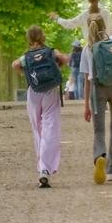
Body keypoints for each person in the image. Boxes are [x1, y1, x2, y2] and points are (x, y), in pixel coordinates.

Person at [53, 0, 112, 183]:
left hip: (97, 88)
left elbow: (86, 80)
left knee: (99, 130)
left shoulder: (87, 50)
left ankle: (100, 156)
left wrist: (86, 106)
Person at [10, 26, 67, 189]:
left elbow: (14, 65)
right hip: (50, 92)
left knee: (38, 130)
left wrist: (25, 71)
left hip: (33, 92)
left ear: (28, 39)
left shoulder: (26, 57)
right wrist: (57, 64)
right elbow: (65, 58)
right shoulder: (50, 52)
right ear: (43, 37)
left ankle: (42, 167)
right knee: (51, 128)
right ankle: (45, 169)